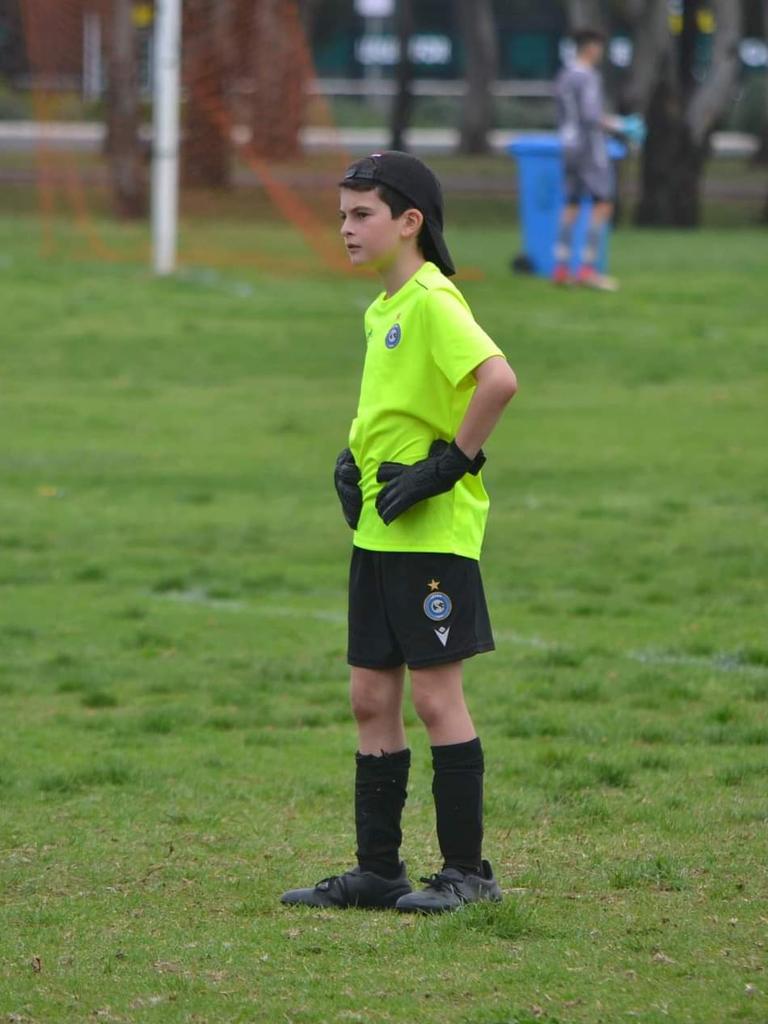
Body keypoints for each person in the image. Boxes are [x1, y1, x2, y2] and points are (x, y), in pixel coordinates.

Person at [279, 151, 518, 914]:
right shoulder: (383, 309)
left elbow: (498, 381)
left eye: (362, 215)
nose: (346, 228)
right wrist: (350, 462)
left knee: (436, 699)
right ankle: (379, 870)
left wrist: (451, 464)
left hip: (431, 536)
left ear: (409, 221)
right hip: (381, 534)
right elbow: (389, 409)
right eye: (343, 214)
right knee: (368, 697)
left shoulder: (430, 300)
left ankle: (467, 874)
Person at [552, 28, 631, 292]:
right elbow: (591, 115)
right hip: (589, 149)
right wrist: (621, 125)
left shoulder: (564, 76)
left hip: (568, 147)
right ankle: (587, 269)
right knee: (602, 204)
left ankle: (561, 268)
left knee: (571, 205)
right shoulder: (587, 77)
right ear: (591, 48)